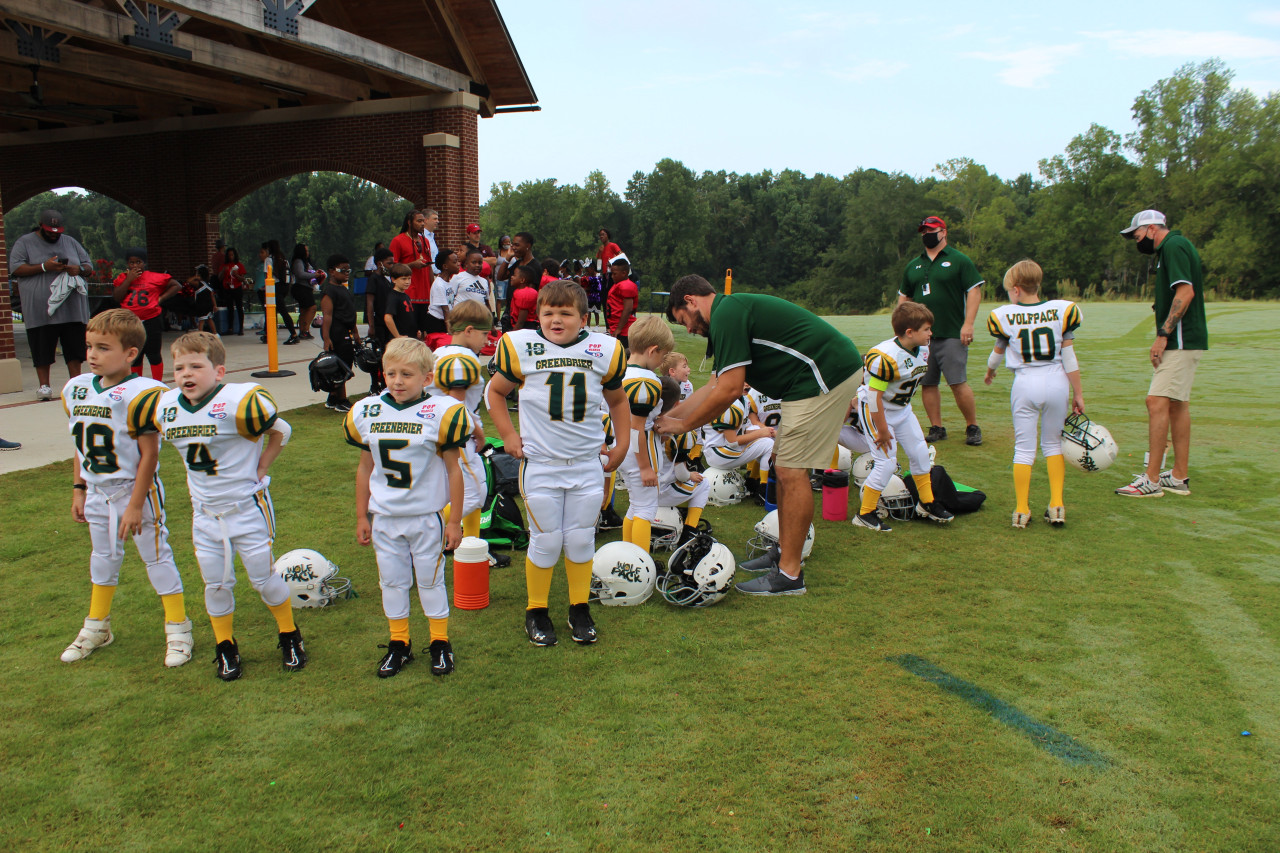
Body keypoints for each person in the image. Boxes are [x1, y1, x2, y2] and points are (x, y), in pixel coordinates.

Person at [661, 275, 862, 596]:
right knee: (783, 464)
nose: (688, 329)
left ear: (690, 301)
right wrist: (668, 417)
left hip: (823, 374)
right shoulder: (728, 314)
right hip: (810, 380)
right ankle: (785, 553)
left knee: (791, 470)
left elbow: (728, 390)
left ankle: (790, 574)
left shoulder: (727, 314)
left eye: (682, 320)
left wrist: (683, 426)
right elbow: (713, 385)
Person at [486, 280, 631, 647]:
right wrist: (507, 435)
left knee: (581, 540)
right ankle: (536, 610)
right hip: (542, 463)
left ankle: (579, 608)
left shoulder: (603, 350)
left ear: (583, 318)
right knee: (547, 541)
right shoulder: (522, 347)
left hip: (585, 463)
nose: (555, 320)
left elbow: (617, 401)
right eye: (548, 312)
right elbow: (496, 392)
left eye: (565, 313)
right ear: (537, 316)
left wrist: (624, 441)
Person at [154, 332, 301, 681]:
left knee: (263, 579)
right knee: (216, 584)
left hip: (246, 508)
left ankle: (289, 635)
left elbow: (282, 430)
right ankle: (225, 646)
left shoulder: (240, 401)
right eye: (179, 368)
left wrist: (261, 467)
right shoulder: (167, 406)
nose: (186, 374)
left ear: (219, 371)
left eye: (196, 366)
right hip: (204, 513)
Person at [60, 308, 192, 667]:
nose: (91, 355)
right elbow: (79, 443)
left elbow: (150, 454)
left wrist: (135, 504)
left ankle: (179, 628)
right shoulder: (76, 388)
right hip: (96, 490)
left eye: (102, 348)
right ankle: (97, 625)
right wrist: (79, 487)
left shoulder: (143, 392)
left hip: (134, 490)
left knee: (156, 556)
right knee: (102, 559)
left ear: (130, 353)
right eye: (89, 347)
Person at [346, 337, 470, 677]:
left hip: (425, 515)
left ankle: (439, 641)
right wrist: (362, 514)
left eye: (407, 374)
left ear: (427, 378)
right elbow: (364, 468)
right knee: (392, 582)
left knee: (430, 581)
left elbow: (453, 469)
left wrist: (455, 519)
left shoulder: (442, 412)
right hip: (385, 516)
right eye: (391, 373)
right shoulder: (368, 410)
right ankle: (399, 642)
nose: (397, 381)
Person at [984, 259, 1084, 527]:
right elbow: (1069, 355)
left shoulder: (1005, 315)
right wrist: (1078, 393)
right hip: (1056, 380)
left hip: (1025, 381)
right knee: (1053, 445)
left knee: (1023, 449)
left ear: (1016, 289)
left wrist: (990, 372)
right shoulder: (1062, 310)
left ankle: (1021, 510)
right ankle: (1057, 505)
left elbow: (998, 350)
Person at [1115, 210, 1208, 498]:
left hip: (1179, 340)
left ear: (1152, 228)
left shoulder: (1173, 246)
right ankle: (1178, 476)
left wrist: (1163, 335)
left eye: (1137, 235)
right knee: (1177, 405)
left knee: (1156, 401)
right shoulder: (1174, 247)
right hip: (1187, 339)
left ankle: (1151, 480)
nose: (1135, 241)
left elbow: (1185, 293)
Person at [850, 302, 955, 532]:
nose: (930, 333)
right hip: (877, 410)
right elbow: (875, 396)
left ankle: (926, 503)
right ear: (910, 332)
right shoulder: (885, 357)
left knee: (920, 453)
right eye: (926, 329)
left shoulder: (923, 349)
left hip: (902, 409)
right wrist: (883, 429)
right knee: (887, 464)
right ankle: (865, 513)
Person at [898, 215, 984, 446]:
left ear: (943, 232)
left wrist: (968, 323)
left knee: (957, 382)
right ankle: (937, 427)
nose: (926, 234)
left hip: (951, 331)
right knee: (927, 382)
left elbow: (974, 291)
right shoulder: (914, 265)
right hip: (920, 337)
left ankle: (972, 426)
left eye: (931, 229)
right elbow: (903, 297)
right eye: (923, 230)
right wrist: (900, 327)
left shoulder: (958, 260)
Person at [9, 208, 91, 401]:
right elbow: (15, 268)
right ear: (41, 226)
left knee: (74, 347)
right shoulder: (25, 242)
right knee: (41, 347)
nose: (54, 236)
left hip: (71, 308)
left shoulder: (70, 241)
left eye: (58, 232)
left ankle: (75, 384)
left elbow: (88, 266)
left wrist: (78, 269)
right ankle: (44, 386)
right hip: (40, 310)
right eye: (50, 232)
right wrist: (44, 266)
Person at [428, 299, 493, 540]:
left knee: (458, 490)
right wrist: (478, 430)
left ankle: (472, 545)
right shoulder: (462, 358)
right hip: (456, 433)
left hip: (436, 431)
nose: (486, 340)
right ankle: (423, 528)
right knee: (474, 493)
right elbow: (456, 406)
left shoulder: (439, 352)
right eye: (484, 334)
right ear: (468, 331)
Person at [617, 316, 676, 555]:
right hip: (640, 451)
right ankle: (639, 564)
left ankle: (628, 555)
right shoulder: (646, 381)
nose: (661, 362)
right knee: (645, 509)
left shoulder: (618, 372)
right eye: (662, 356)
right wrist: (645, 466)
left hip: (622, 448)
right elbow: (636, 427)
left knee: (635, 506)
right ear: (653, 350)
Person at [112, 248, 182, 382]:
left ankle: (157, 383)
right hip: (131, 322)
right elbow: (117, 297)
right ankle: (136, 383)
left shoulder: (154, 277)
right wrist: (128, 280)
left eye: (138, 262)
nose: (134, 265)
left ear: (144, 263)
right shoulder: (122, 278)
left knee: (153, 353)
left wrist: (161, 298)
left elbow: (176, 285)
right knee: (135, 355)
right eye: (131, 263)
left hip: (151, 319)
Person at [319, 255, 359, 413]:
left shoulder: (344, 288)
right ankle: (341, 400)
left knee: (346, 363)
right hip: (337, 332)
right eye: (343, 270)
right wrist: (327, 338)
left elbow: (351, 313)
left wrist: (355, 332)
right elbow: (327, 316)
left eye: (348, 270)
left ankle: (333, 397)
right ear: (331, 271)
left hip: (347, 330)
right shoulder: (329, 291)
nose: (346, 272)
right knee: (341, 367)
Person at [390, 209, 439, 335]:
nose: (422, 224)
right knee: (410, 331)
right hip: (408, 293)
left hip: (425, 294)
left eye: (423, 221)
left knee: (425, 333)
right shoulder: (398, 240)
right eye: (419, 221)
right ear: (409, 223)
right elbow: (392, 267)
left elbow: (428, 267)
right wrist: (412, 264)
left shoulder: (425, 241)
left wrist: (432, 289)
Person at [258, 241, 298, 345]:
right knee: (273, 311)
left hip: (274, 287)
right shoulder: (283, 259)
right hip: (284, 287)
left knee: (278, 311)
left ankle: (293, 334)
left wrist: (266, 287)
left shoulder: (269, 260)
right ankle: (268, 334)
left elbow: (268, 275)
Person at [289, 243, 324, 340]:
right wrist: (314, 276)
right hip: (301, 288)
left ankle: (303, 330)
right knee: (312, 308)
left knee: (304, 310)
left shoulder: (305, 262)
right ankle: (305, 330)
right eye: (306, 251)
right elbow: (300, 274)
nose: (308, 253)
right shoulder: (298, 262)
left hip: (307, 287)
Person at [426, 249, 460, 339]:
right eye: (455, 262)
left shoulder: (449, 281)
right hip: (436, 322)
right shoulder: (439, 285)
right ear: (445, 266)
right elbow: (445, 310)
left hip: (445, 320)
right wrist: (450, 331)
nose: (458, 264)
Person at [605, 255, 638, 347]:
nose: (612, 276)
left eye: (614, 274)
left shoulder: (626, 285)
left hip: (624, 330)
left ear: (624, 273)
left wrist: (619, 328)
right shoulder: (618, 284)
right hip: (618, 327)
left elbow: (628, 309)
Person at [383, 264, 417, 341]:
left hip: (410, 338)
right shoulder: (393, 297)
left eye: (409, 278)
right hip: (401, 341)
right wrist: (397, 336)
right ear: (393, 279)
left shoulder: (406, 296)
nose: (407, 282)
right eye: (403, 279)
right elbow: (388, 318)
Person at [222, 248, 247, 336]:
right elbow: (219, 277)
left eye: (232, 255)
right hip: (228, 288)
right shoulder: (225, 265)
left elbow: (243, 279)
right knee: (230, 309)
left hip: (237, 288)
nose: (230, 257)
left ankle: (241, 328)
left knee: (239, 307)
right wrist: (223, 271)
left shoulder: (239, 265)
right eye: (229, 255)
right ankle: (230, 328)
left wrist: (236, 274)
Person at [507, 265, 540, 331]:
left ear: (522, 280)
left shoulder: (524, 294)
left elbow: (521, 321)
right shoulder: (520, 291)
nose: (512, 277)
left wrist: (513, 334)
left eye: (514, 275)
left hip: (526, 327)